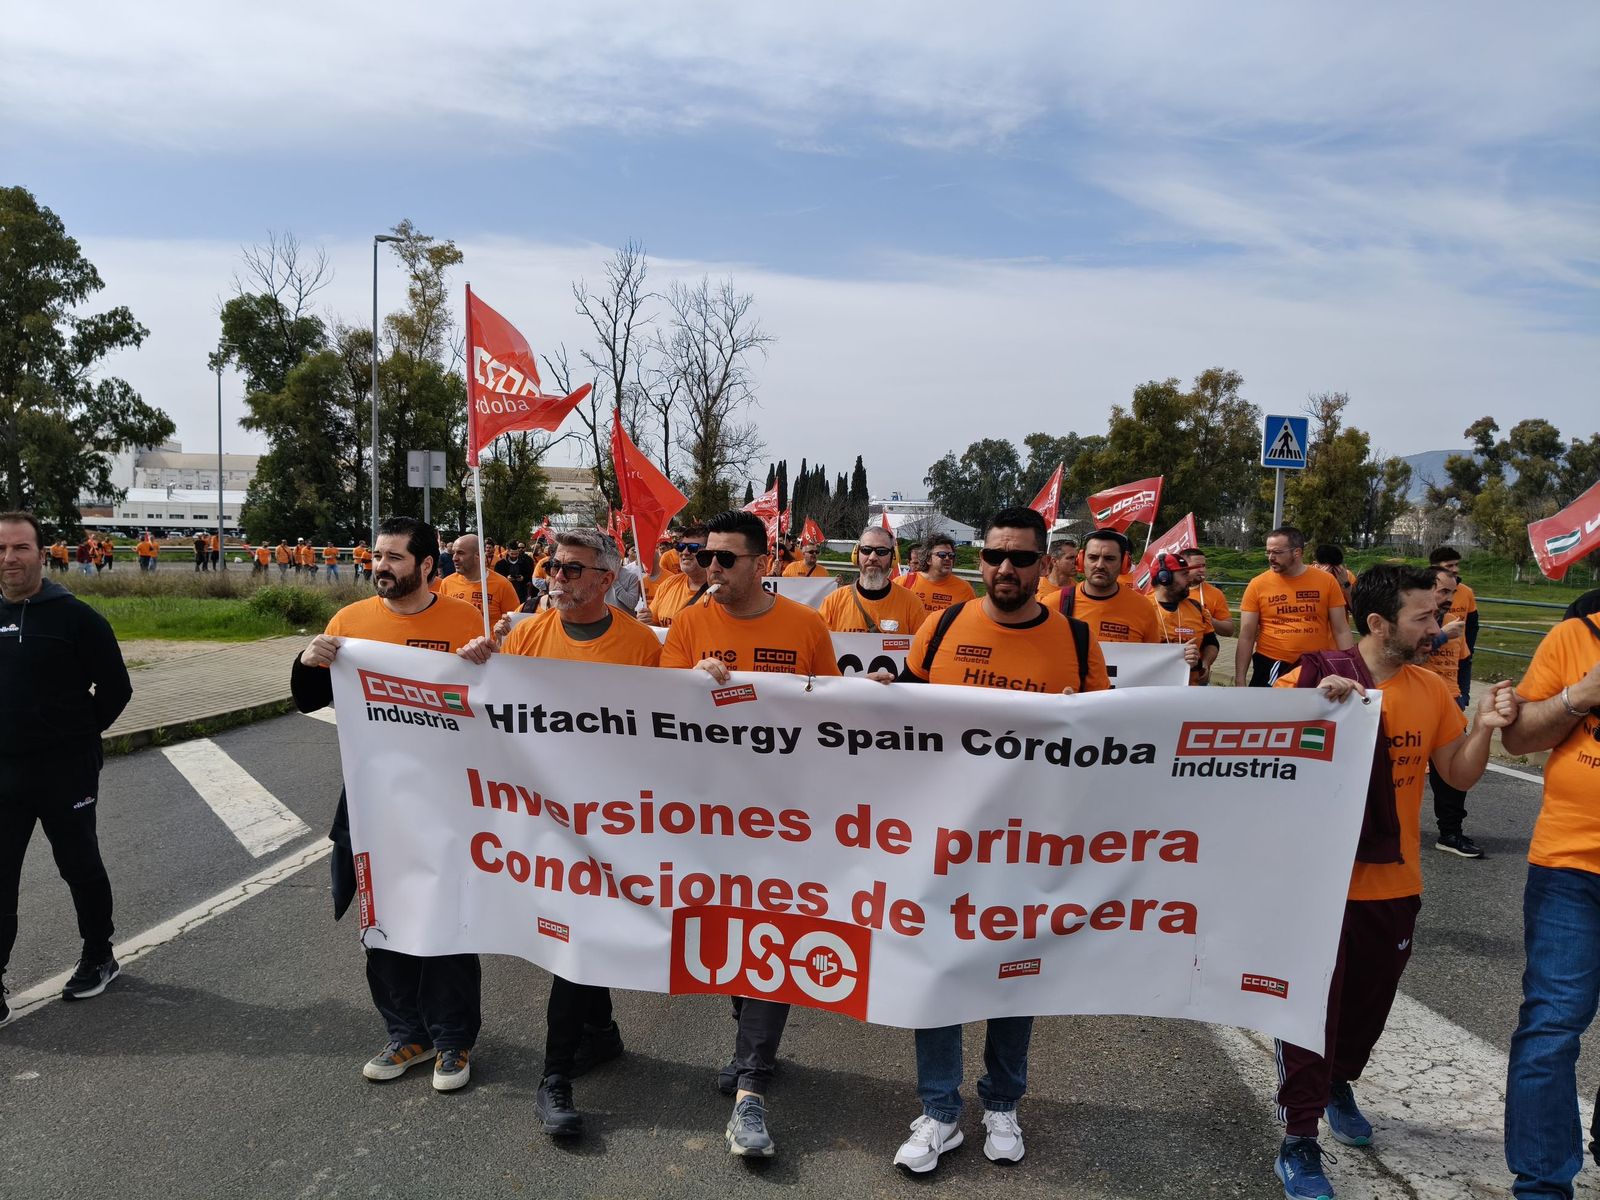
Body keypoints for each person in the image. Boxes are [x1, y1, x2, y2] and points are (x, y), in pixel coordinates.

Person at [1269, 564, 1516, 1200]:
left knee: (1366, 1010)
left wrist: (1484, 727)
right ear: (1379, 623)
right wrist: (1312, 711)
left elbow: (1457, 776)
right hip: (1315, 888)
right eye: (1425, 617)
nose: (1439, 627)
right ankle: (1299, 1137)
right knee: (1310, 1015)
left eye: (1438, 615)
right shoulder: (1310, 679)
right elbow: (1264, 767)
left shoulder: (1431, 688)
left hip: (1395, 883)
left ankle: (1339, 1082)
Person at [892, 506, 1109, 1173]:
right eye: (993, 555)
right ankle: (938, 1112)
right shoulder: (943, 626)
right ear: (979, 559)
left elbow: (1111, 740)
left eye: (1019, 557)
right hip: (944, 840)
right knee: (939, 972)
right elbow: (900, 722)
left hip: (1030, 846)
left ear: (1044, 563)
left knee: (1014, 976)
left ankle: (1003, 1103)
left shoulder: (1076, 640)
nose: (1004, 568)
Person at [463, 528, 663, 1139]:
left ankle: (554, 1077)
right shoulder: (525, 635)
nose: (556, 576)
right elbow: (496, 709)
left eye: (572, 569)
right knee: (579, 931)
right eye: (553, 565)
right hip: (544, 814)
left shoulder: (641, 646)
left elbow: (666, 732)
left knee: (576, 934)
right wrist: (475, 660)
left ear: (607, 579)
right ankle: (599, 1034)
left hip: (610, 818)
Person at [660, 509, 841, 1159]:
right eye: (705, 556)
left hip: (783, 818)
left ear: (762, 564)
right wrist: (692, 687)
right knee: (727, 940)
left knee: (771, 939)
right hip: (709, 816)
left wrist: (877, 696)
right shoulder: (688, 624)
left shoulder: (806, 626)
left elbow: (835, 715)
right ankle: (750, 1044)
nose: (710, 568)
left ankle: (752, 1088)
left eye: (726, 558)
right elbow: (657, 715)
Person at [290, 516, 486, 1093]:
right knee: (382, 920)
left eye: (395, 557)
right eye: (377, 556)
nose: (381, 566)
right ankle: (407, 1033)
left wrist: (487, 660)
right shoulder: (349, 623)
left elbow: (500, 708)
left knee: (447, 921)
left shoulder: (466, 622)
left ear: (426, 565)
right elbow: (308, 699)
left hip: (448, 800)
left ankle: (453, 1038)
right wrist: (306, 659)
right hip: (372, 800)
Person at [0, 511, 133, 1022]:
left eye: (20, 548)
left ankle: (99, 955)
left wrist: (76, 736)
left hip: (66, 771)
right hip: (4, 774)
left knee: (79, 865)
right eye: (2, 549)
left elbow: (117, 688)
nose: (10, 558)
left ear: (42, 553)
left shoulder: (77, 618)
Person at [1500, 587, 1600, 1199]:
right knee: (1552, 1025)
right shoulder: (1576, 635)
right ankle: (1541, 1186)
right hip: (1571, 865)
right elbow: (1518, 740)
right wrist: (1579, 696)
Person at [1234, 526, 1354, 687]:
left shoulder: (1327, 581)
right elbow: (1246, 635)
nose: (1271, 557)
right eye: (1268, 552)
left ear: (1297, 552)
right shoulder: (1257, 584)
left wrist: (1350, 671)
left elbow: (1341, 629)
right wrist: (1240, 679)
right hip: (1272, 664)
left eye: (1277, 552)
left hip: (1315, 666)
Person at [1421, 568, 1483, 858]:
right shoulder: (1410, 622)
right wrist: (1442, 637)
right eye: (1443, 591)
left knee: (1451, 774)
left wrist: (1464, 694)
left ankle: (1450, 833)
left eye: (1452, 592)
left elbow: (1465, 661)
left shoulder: (1452, 623)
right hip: (1415, 704)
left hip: (1451, 705)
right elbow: (1406, 658)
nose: (1449, 598)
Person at [1053, 529, 1161, 645]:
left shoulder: (1143, 608)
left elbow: (1154, 654)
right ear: (1081, 560)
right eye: (1093, 557)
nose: (1100, 565)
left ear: (1124, 563)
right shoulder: (1054, 604)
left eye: (1109, 559)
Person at [820, 525, 928, 634]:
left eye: (881, 551)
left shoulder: (912, 604)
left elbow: (922, 644)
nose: (872, 557)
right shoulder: (833, 602)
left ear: (893, 557)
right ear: (856, 554)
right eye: (866, 550)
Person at [1148, 552, 1218, 684]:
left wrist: (1205, 663)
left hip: (1191, 688)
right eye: (1184, 574)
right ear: (1165, 578)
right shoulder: (1141, 608)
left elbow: (1211, 642)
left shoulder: (1197, 608)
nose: (1190, 579)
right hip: (1152, 688)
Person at [435, 535, 520, 627]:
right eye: (454, 553)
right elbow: (442, 619)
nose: (454, 558)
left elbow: (515, 625)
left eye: (460, 553)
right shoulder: (447, 583)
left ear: (478, 555)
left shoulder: (502, 585)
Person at [646, 524, 712, 628]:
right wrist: (645, 622)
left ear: (709, 552)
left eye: (693, 547)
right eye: (681, 547)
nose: (685, 552)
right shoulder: (668, 584)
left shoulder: (721, 592)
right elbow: (654, 623)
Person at [905, 535, 975, 615]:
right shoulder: (904, 582)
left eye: (951, 555)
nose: (947, 558)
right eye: (942, 555)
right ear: (928, 559)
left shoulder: (965, 589)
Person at [1181, 548, 1234, 639]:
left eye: (1204, 565)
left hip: (1204, 645)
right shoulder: (1168, 591)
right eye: (1197, 566)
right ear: (1183, 567)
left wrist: (1209, 619)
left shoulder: (1215, 593)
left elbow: (1229, 630)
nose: (1202, 570)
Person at [1034, 538, 1077, 604]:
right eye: (1071, 558)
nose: (1076, 561)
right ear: (1054, 561)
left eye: (1076, 557)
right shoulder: (1035, 586)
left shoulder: (1078, 589)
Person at [1313, 543, 1354, 611]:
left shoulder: (1347, 575)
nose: (1333, 573)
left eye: (1335, 568)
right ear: (1316, 564)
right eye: (1328, 568)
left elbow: (1356, 609)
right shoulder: (1307, 575)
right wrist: (1319, 581)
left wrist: (1346, 584)